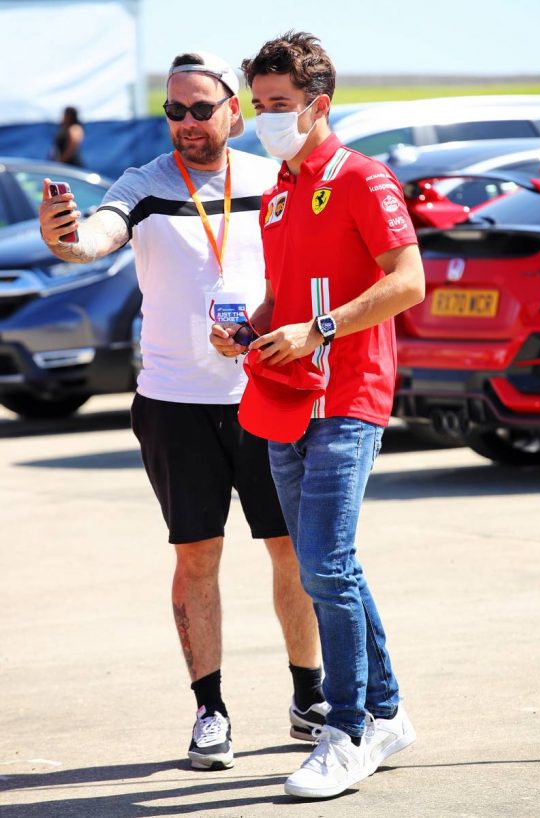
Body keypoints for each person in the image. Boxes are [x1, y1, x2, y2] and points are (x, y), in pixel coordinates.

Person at [38, 50, 325, 772]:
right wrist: (64, 238)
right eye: (174, 110)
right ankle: (210, 710)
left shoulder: (273, 178)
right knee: (197, 554)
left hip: (268, 390)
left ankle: (309, 695)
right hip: (174, 402)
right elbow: (96, 234)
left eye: (201, 108)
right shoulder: (142, 184)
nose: (188, 123)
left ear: (234, 108)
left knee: (291, 549)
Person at [213, 31, 425, 798]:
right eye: (258, 105)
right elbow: (286, 296)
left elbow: (408, 283)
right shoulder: (277, 191)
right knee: (322, 566)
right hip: (287, 397)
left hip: (350, 395)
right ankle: (387, 712)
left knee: (325, 566)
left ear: (317, 105)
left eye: (280, 105)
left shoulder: (364, 180)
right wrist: (249, 328)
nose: (266, 118)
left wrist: (321, 328)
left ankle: (346, 730)